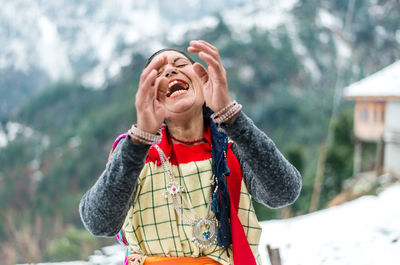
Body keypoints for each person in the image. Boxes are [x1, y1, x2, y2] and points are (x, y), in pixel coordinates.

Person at [79, 40, 302, 265]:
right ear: (149, 96)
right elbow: (100, 222)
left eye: (180, 64)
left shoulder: (233, 148)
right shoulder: (136, 156)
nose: (169, 70)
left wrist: (230, 117)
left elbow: (283, 192)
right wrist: (140, 138)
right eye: (158, 73)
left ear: (203, 81)